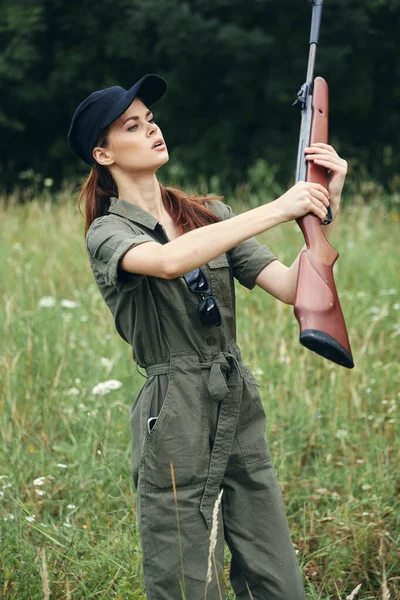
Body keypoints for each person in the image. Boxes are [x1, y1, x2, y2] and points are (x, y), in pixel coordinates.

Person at [68, 74, 347, 599]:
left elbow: (290, 287)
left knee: (279, 582)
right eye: (133, 126)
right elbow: (171, 261)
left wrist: (321, 212)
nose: (152, 129)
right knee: (186, 587)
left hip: (237, 400)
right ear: (103, 154)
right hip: (173, 413)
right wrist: (279, 208)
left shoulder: (208, 214)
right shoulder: (107, 231)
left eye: (151, 119)